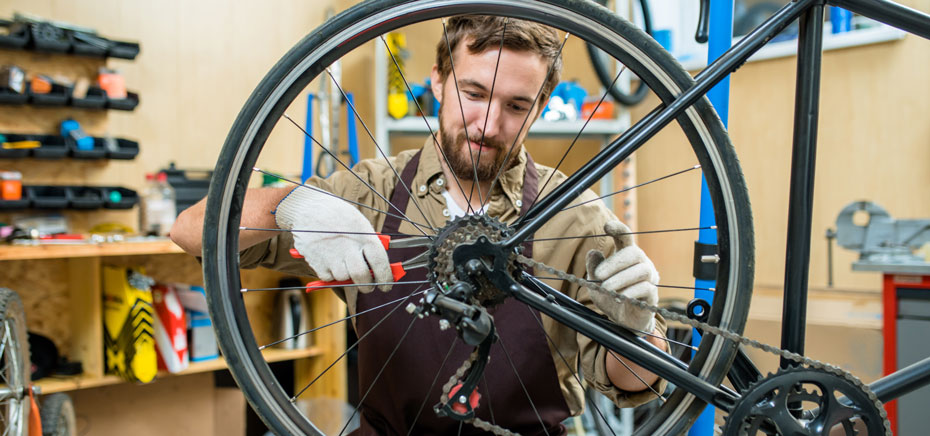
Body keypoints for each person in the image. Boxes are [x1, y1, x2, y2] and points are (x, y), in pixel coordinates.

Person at [171, 15, 668, 436]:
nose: (488, 125)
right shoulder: (371, 192)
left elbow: (632, 380)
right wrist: (292, 206)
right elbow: (190, 230)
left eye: (516, 106)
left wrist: (639, 330)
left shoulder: (577, 217)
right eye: (474, 93)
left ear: (540, 106)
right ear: (437, 79)